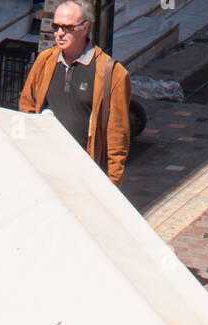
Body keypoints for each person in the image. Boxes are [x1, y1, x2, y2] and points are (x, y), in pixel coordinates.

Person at [19, 0, 131, 187]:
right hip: (46, 170)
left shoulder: (113, 73)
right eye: (56, 27)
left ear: (85, 28)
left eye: (67, 28)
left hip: (85, 174)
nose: (59, 33)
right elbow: (27, 108)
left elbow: (117, 137)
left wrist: (112, 186)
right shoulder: (45, 62)